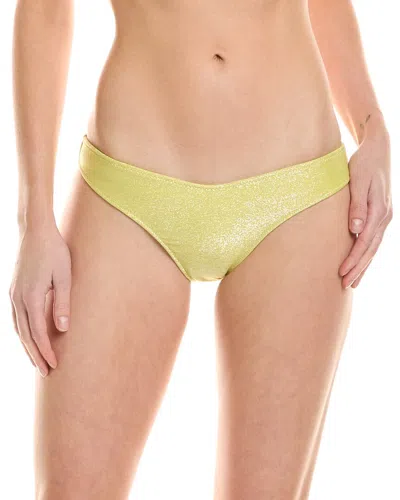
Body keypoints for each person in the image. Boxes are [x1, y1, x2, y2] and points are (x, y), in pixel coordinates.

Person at [10, 1, 392, 499]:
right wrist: (34, 219)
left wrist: (371, 126)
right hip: (130, 183)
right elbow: (45, 11)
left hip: (296, 191)